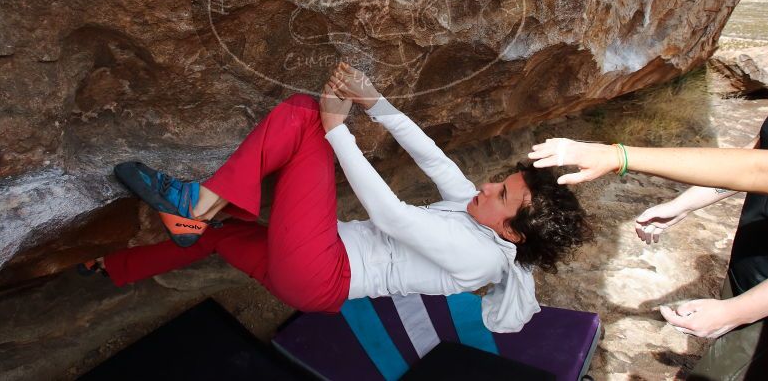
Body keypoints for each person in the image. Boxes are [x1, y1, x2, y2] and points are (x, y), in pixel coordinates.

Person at [84, 62, 591, 332]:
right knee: (221, 236)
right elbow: (434, 158)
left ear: (510, 231)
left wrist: (336, 129)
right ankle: (117, 266)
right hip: (313, 280)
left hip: (323, 270)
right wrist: (376, 103)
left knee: (304, 115)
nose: (487, 187)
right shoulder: (480, 219)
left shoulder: (480, 256)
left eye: (501, 194)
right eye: (500, 182)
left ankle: (194, 205)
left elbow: (392, 218)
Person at [528, 131, 768, 379]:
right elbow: (751, 158)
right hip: (749, 265)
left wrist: (736, 311)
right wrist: (685, 203)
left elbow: (759, 170)